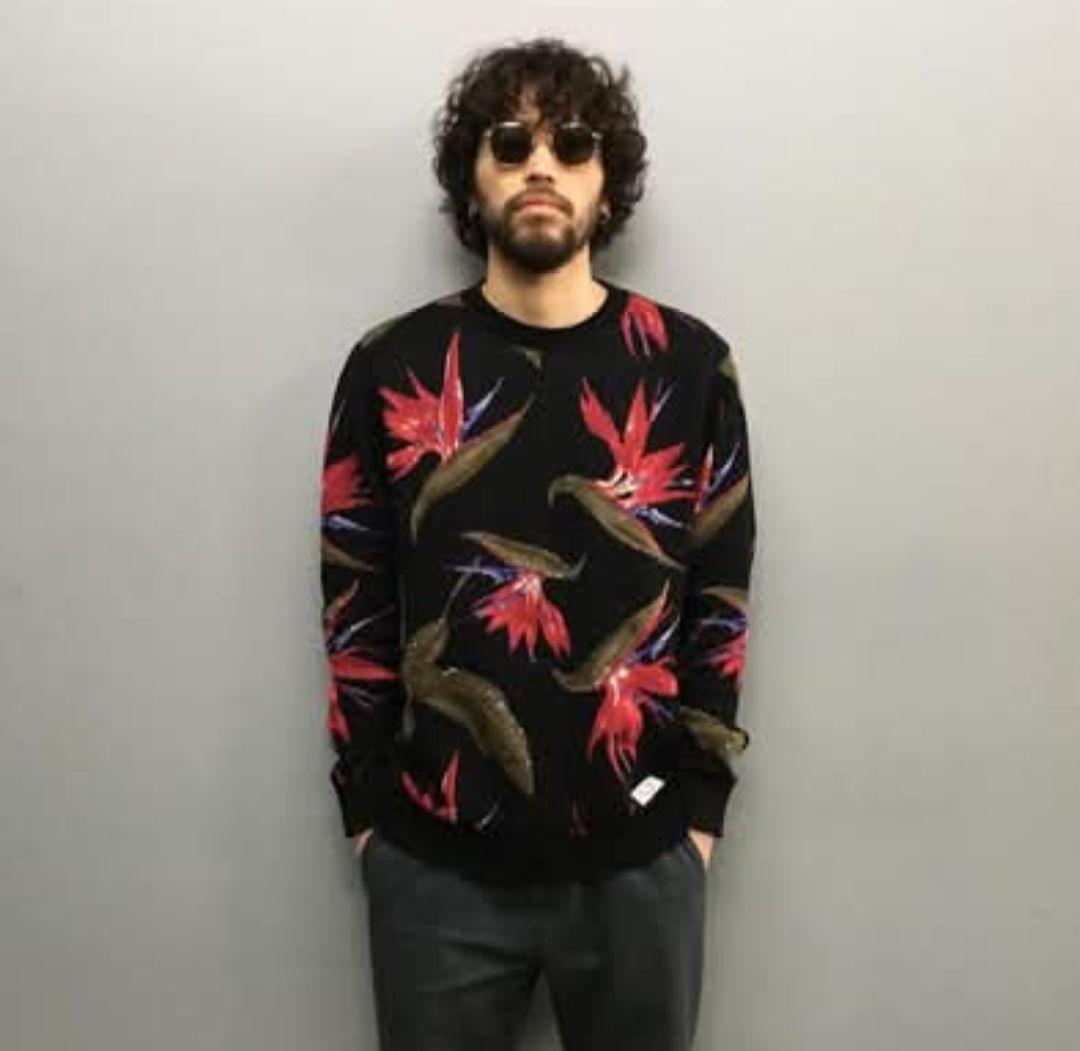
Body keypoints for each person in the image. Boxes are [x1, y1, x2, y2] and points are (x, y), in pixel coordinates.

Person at [318, 36, 757, 1051]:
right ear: (472, 180)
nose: (542, 166)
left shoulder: (688, 366)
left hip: (640, 852)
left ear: (608, 183)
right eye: (510, 144)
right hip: (434, 863)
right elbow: (353, 591)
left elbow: (721, 591)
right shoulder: (392, 365)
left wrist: (697, 812)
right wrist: (370, 813)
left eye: (573, 144)